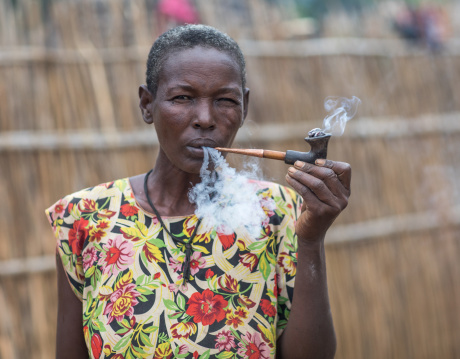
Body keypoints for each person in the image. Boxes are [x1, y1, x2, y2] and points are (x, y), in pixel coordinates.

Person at [46, 24, 350, 359]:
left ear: (244, 107)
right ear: (147, 104)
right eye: (182, 98)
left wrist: (310, 240)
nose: (205, 118)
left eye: (225, 100)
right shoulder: (85, 218)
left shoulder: (278, 212)